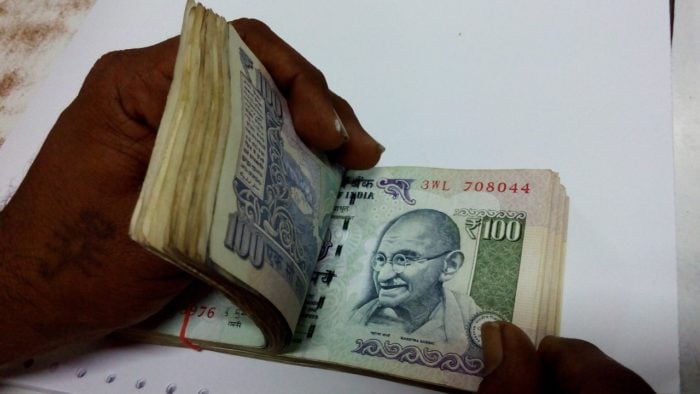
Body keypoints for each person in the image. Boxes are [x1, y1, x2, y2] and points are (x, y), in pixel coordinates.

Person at [0, 18, 654, 394]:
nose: (388, 271)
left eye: (410, 260)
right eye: (387, 256)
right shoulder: (375, 303)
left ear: (452, 263)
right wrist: (19, 293)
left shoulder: (475, 326)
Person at [350, 209, 480, 351]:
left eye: (404, 259)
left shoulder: (473, 322)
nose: (383, 276)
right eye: (381, 259)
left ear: (449, 266)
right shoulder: (357, 318)